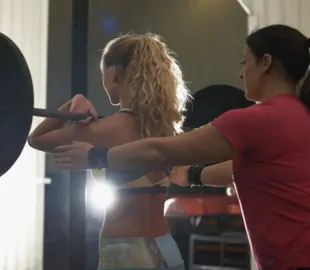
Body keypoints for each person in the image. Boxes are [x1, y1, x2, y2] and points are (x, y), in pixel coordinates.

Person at [52, 24, 310, 270]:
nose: (242, 73)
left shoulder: (258, 119)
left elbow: (161, 150)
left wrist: (96, 155)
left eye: (245, 62)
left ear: (265, 63)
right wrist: (192, 175)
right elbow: (243, 170)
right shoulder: (309, 118)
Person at [28, 33, 189, 269]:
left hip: (127, 251)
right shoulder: (167, 130)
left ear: (113, 74)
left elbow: (37, 139)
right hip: (166, 247)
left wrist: (73, 102)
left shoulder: (106, 129)